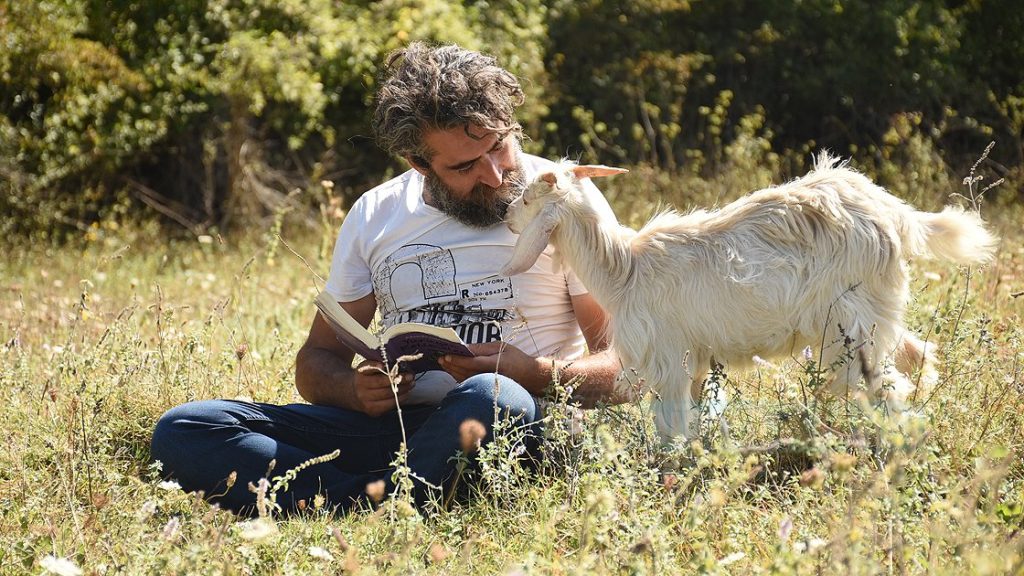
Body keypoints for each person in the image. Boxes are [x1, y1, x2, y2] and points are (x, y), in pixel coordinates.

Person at [150, 41, 625, 515]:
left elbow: (628, 367)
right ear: (418, 163)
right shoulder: (375, 213)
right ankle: (384, 498)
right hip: (397, 429)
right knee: (187, 427)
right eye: (464, 166)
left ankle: (354, 502)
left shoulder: (562, 198)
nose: (496, 176)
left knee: (493, 395)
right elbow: (317, 361)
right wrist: (354, 391)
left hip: (516, 425)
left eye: (500, 146)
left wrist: (534, 373)